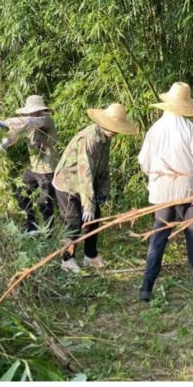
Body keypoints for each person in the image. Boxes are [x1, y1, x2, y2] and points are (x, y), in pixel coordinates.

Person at [136, 82, 193, 302]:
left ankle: (147, 284)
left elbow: (143, 160)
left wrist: (154, 177)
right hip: (187, 189)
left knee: (159, 235)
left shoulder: (155, 129)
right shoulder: (191, 128)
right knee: (192, 231)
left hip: (162, 190)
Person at [52, 102, 139, 273]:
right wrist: (88, 205)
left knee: (95, 218)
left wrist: (103, 191)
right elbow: (85, 174)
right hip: (68, 184)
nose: (116, 131)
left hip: (85, 184)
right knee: (74, 221)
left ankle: (90, 256)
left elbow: (103, 167)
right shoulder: (90, 139)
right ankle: (67, 260)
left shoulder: (105, 139)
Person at [0, 95, 59, 231]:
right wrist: (5, 144)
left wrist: (7, 122)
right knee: (20, 192)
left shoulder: (45, 120)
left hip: (47, 169)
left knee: (44, 202)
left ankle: (49, 233)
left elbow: (29, 121)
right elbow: (17, 133)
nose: (29, 113)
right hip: (34, 169)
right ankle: (31, 225)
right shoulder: (29, 124)